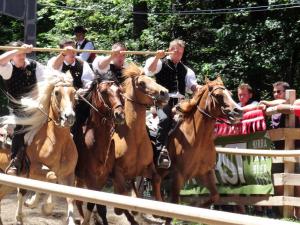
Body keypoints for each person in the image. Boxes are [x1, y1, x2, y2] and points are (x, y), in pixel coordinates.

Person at [144, 39, 201, 169]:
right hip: (163, 101)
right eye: (176, 52)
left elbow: (191, 86)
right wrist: (156, 57)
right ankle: (160, 152)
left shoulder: (186, 70)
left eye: (181, 53)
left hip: (180, 103)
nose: (178, 55)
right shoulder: (159, 63)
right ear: (170, 50)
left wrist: (197, 88)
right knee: (165, 120)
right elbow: (149, 72)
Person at [0, 41, 46, 175]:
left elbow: (45, 83)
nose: (21, 56)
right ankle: (15, 162)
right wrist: (18, 49)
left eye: (22, 53)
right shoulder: (7, 68)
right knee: (20, 128)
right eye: (17, 54)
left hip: (37, 107)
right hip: (17, 110)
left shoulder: (35, 66)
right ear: (12, 55)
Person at [47, 39, 95, 146]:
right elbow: (52, 69)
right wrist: (63, 53)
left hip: (78, 101)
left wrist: (81, 92)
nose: (72, 53)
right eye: (68, 52)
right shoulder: (54, 61)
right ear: (61, 52)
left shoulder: (83, 64)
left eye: (74, 50)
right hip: (57, 102)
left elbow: (89, 83)